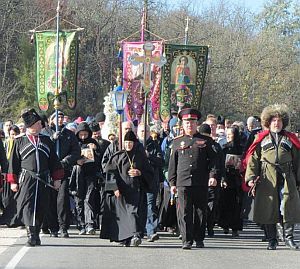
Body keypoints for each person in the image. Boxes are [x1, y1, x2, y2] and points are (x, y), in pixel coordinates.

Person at [5, 108, 64, 246]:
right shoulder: (20, 141)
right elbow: (13, 163)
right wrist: (13, 181)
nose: (41, 125)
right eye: (38, 123)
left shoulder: (46, 140)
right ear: (31, 125)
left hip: (43, 178)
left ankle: (36, 233)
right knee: (27, 206)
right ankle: (31, 235)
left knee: (41, 206)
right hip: (27, 179)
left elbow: (54, 161)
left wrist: (57, 178)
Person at [245, 104, 300, 250]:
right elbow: (253, 159)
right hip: (266, 178)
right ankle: (272, 239)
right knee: (268, 208)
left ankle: (289, 238)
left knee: (288, 206)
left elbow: (297, 161)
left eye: (279, 121)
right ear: (268, 122)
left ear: (284, 123)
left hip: (287, 177)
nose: (277, 123)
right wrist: (251, 178)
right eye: (274, 120)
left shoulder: (291, 139)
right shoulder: (260, 138)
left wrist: (298, 179)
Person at [168, 108, 217, 250]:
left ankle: (199, 238)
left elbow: (213, 161)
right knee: (184, 212)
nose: (190, 125)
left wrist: (212, 176)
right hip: (183, 182)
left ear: (197, 123)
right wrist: (172, 182)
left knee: (201, 211)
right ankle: (186, 240)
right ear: (182, 124)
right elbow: (173, 164)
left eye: (192, 122)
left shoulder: (206, 141)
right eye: (186, 122)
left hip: (200, 181)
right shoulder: (177, 142)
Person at [100, 131, 153, 246]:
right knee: (124, 217)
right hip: (122, 192)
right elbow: (110, 173)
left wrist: (139, 173)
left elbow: (149, 172)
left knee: (134, 213)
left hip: (136, 191)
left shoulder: (140, 156)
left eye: (130, 142)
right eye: (126, 142)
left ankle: (135, 235)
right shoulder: (117, 156)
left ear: (134, 143)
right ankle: (126, 238)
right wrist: (114, 188)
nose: (128, 145)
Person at [43, 110, 81, 238]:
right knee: (50, 200)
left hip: (63, 170)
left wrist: (66, 161)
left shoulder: (69, 134)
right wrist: (52, 140)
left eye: (61, 117)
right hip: (48, 171)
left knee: (62, 199)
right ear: (51, 119)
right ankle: (53, 227)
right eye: (57, 117)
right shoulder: (45, 133)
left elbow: (76, 151)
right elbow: (43, 149)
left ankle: (63, 226)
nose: (59, 120)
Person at [218, 126, 243, 237]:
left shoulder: (241, 148)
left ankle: (235, 227)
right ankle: (225, 225)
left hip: (237, 179)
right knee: (225, 202)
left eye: (230, 135)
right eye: (227, 135)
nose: (228, 137)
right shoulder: (224, 148)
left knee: (236, 204)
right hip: (227, 178)